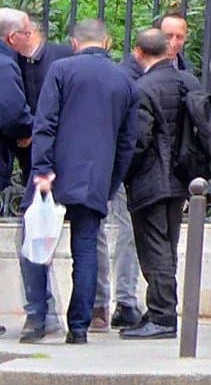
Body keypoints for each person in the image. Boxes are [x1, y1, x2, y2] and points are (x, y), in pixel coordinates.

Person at [24, 21, 137, 344]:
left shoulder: (61, 70)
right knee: (85, 250)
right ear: (108, 41)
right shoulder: (124, 79)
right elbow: (128, 141)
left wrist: (42, 169)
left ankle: (38, 318)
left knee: (35, 241)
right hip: (95, 178)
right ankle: (79, 327)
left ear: (74, 42)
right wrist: (112, 180)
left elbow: (45, 124)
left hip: (55, 174)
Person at [118, 25, 211, 340]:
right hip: (182, 179)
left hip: (151, 180)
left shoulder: (143, 87)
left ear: (138, 53)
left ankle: (162, 316)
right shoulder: (187, 81)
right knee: (167, 245)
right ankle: (160, 307)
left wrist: (123, 172)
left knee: (154, 249)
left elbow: (139, 140)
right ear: (166, 50)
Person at [0, 10, 45, 344]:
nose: (32, 37)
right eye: (27, 31)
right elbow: (13, 112)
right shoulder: (4, 64)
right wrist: (27, 131)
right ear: (12, 37)